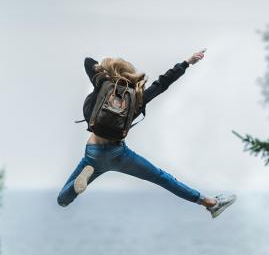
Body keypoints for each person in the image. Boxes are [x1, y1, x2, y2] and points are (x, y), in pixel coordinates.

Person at [57, 49, 236, 218]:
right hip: (119, 154)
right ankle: (211, 203)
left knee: (62, 200)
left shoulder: (103, 85)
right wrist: (187, 62)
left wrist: (105, 74)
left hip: (93, 153)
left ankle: (76, 186)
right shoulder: (137, 97)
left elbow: (88, 61)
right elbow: (163, 83)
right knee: (162, 178)